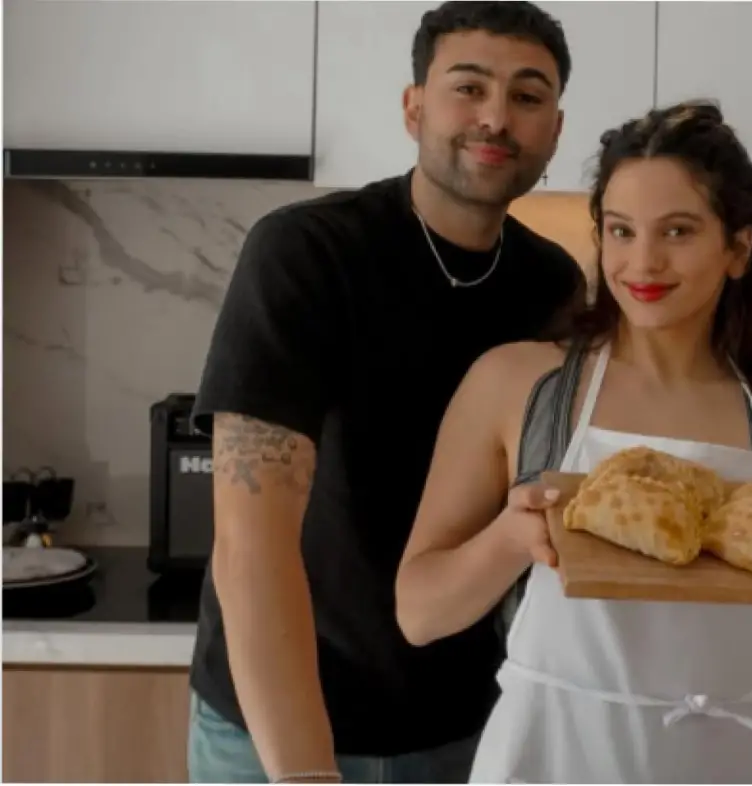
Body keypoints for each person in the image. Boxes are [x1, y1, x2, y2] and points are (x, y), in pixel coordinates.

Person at [185, 2, 582, 782]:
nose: (496, 116)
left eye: (528, 97)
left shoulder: (554, 288)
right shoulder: (307, 254)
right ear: (414, 108)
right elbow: (250, 549)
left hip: (463, 730)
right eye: (468, 87)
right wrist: (304, 773)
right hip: (275, 732)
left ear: (555, 130)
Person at [393, 100, 752, 784]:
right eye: (620, 231)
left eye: (679, 231)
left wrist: (683, 706)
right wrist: (513, 538)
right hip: (552, 754)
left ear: (740, 247)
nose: (643, 261)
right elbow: (419, 613)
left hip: (722, 760)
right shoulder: (516, 384)